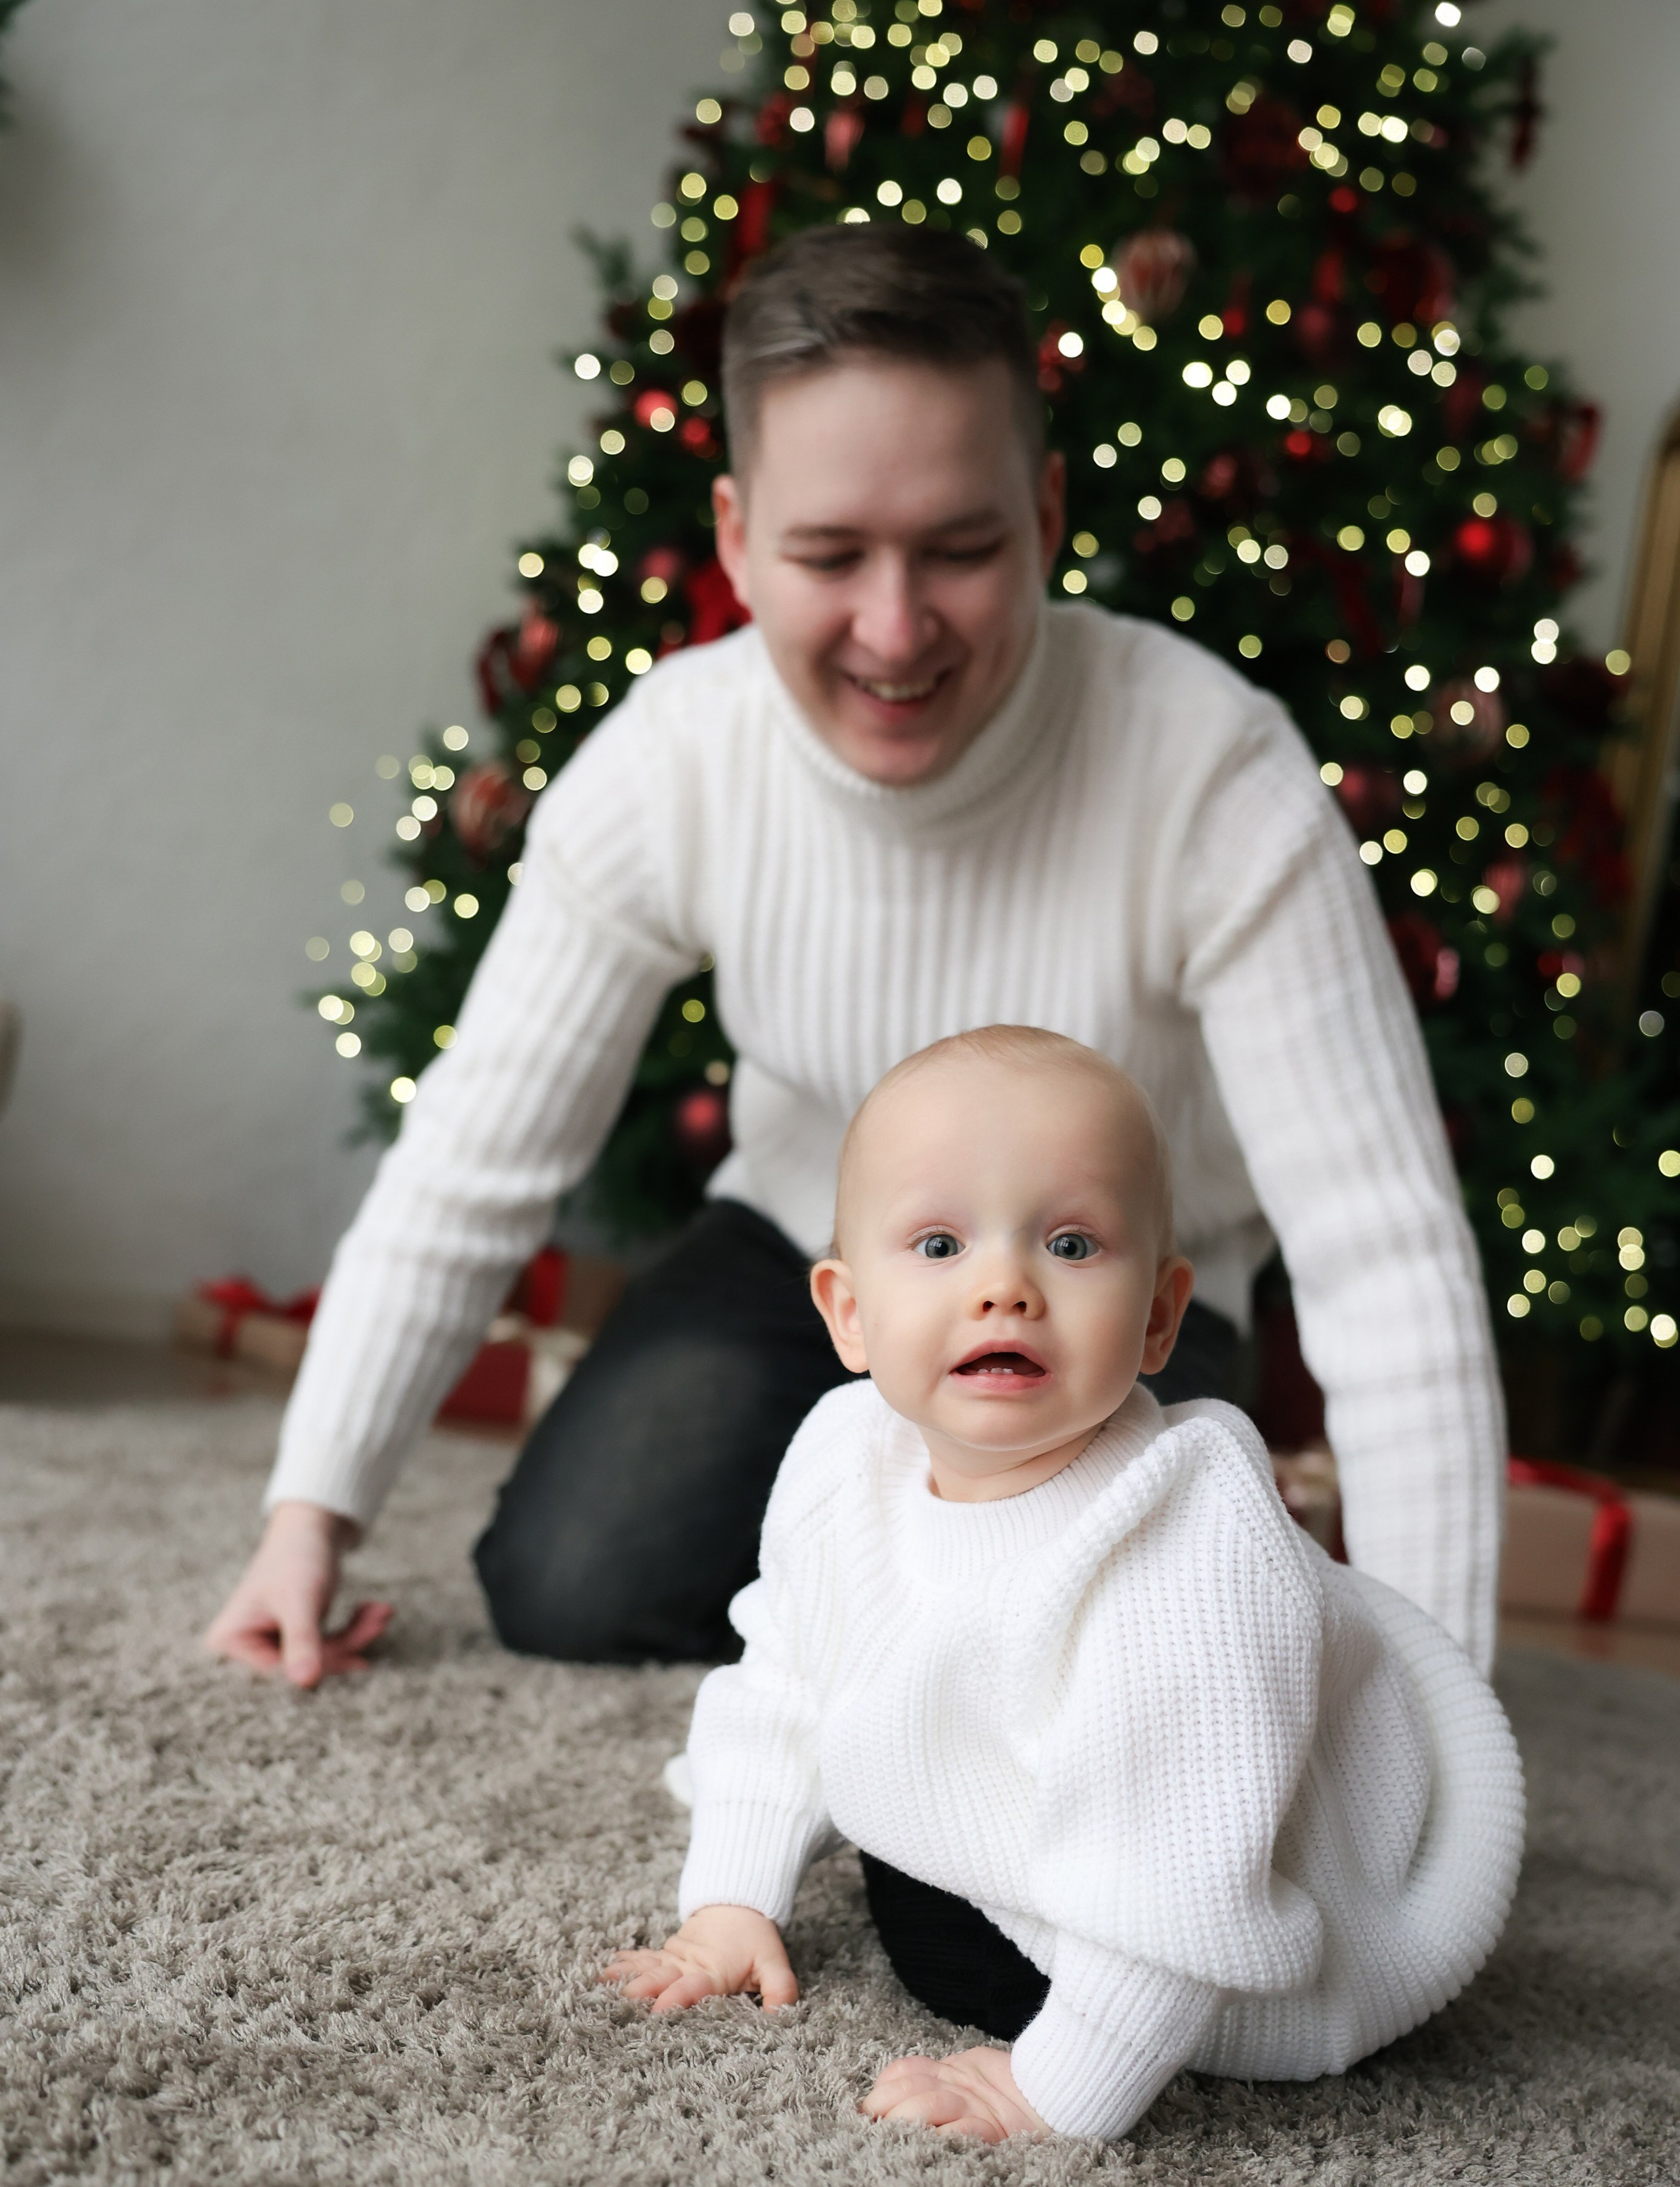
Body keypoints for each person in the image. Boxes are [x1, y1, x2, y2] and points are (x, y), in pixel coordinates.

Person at [205, 224, 1503, 1691]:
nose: (895, 630)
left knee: (1109, 1674)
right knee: (572, 1581)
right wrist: (306, 1518)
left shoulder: (1211, 773)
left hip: (1109, 1291)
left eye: (959, 550)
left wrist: (1439, 1713)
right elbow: (473, 1157)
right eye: (830, 556)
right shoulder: (673, 761)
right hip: (800, 1260)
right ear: (738, 543)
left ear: (1046, 510)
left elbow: (1380, 1250)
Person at [604, 1030, 1524, 2145]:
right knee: (909, 1877)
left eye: (1073, 1243)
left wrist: (1055, 2088)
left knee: (971, 1955)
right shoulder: (847, 1454)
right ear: (848, 1314)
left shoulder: (1183, 1547)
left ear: (1158, 1318)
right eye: (939, 1242)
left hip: (1219, 1881)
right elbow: (791, 1676)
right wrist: (733, 1898)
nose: (1005, 1288)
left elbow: (1184, 1858)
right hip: (1026, 1800)